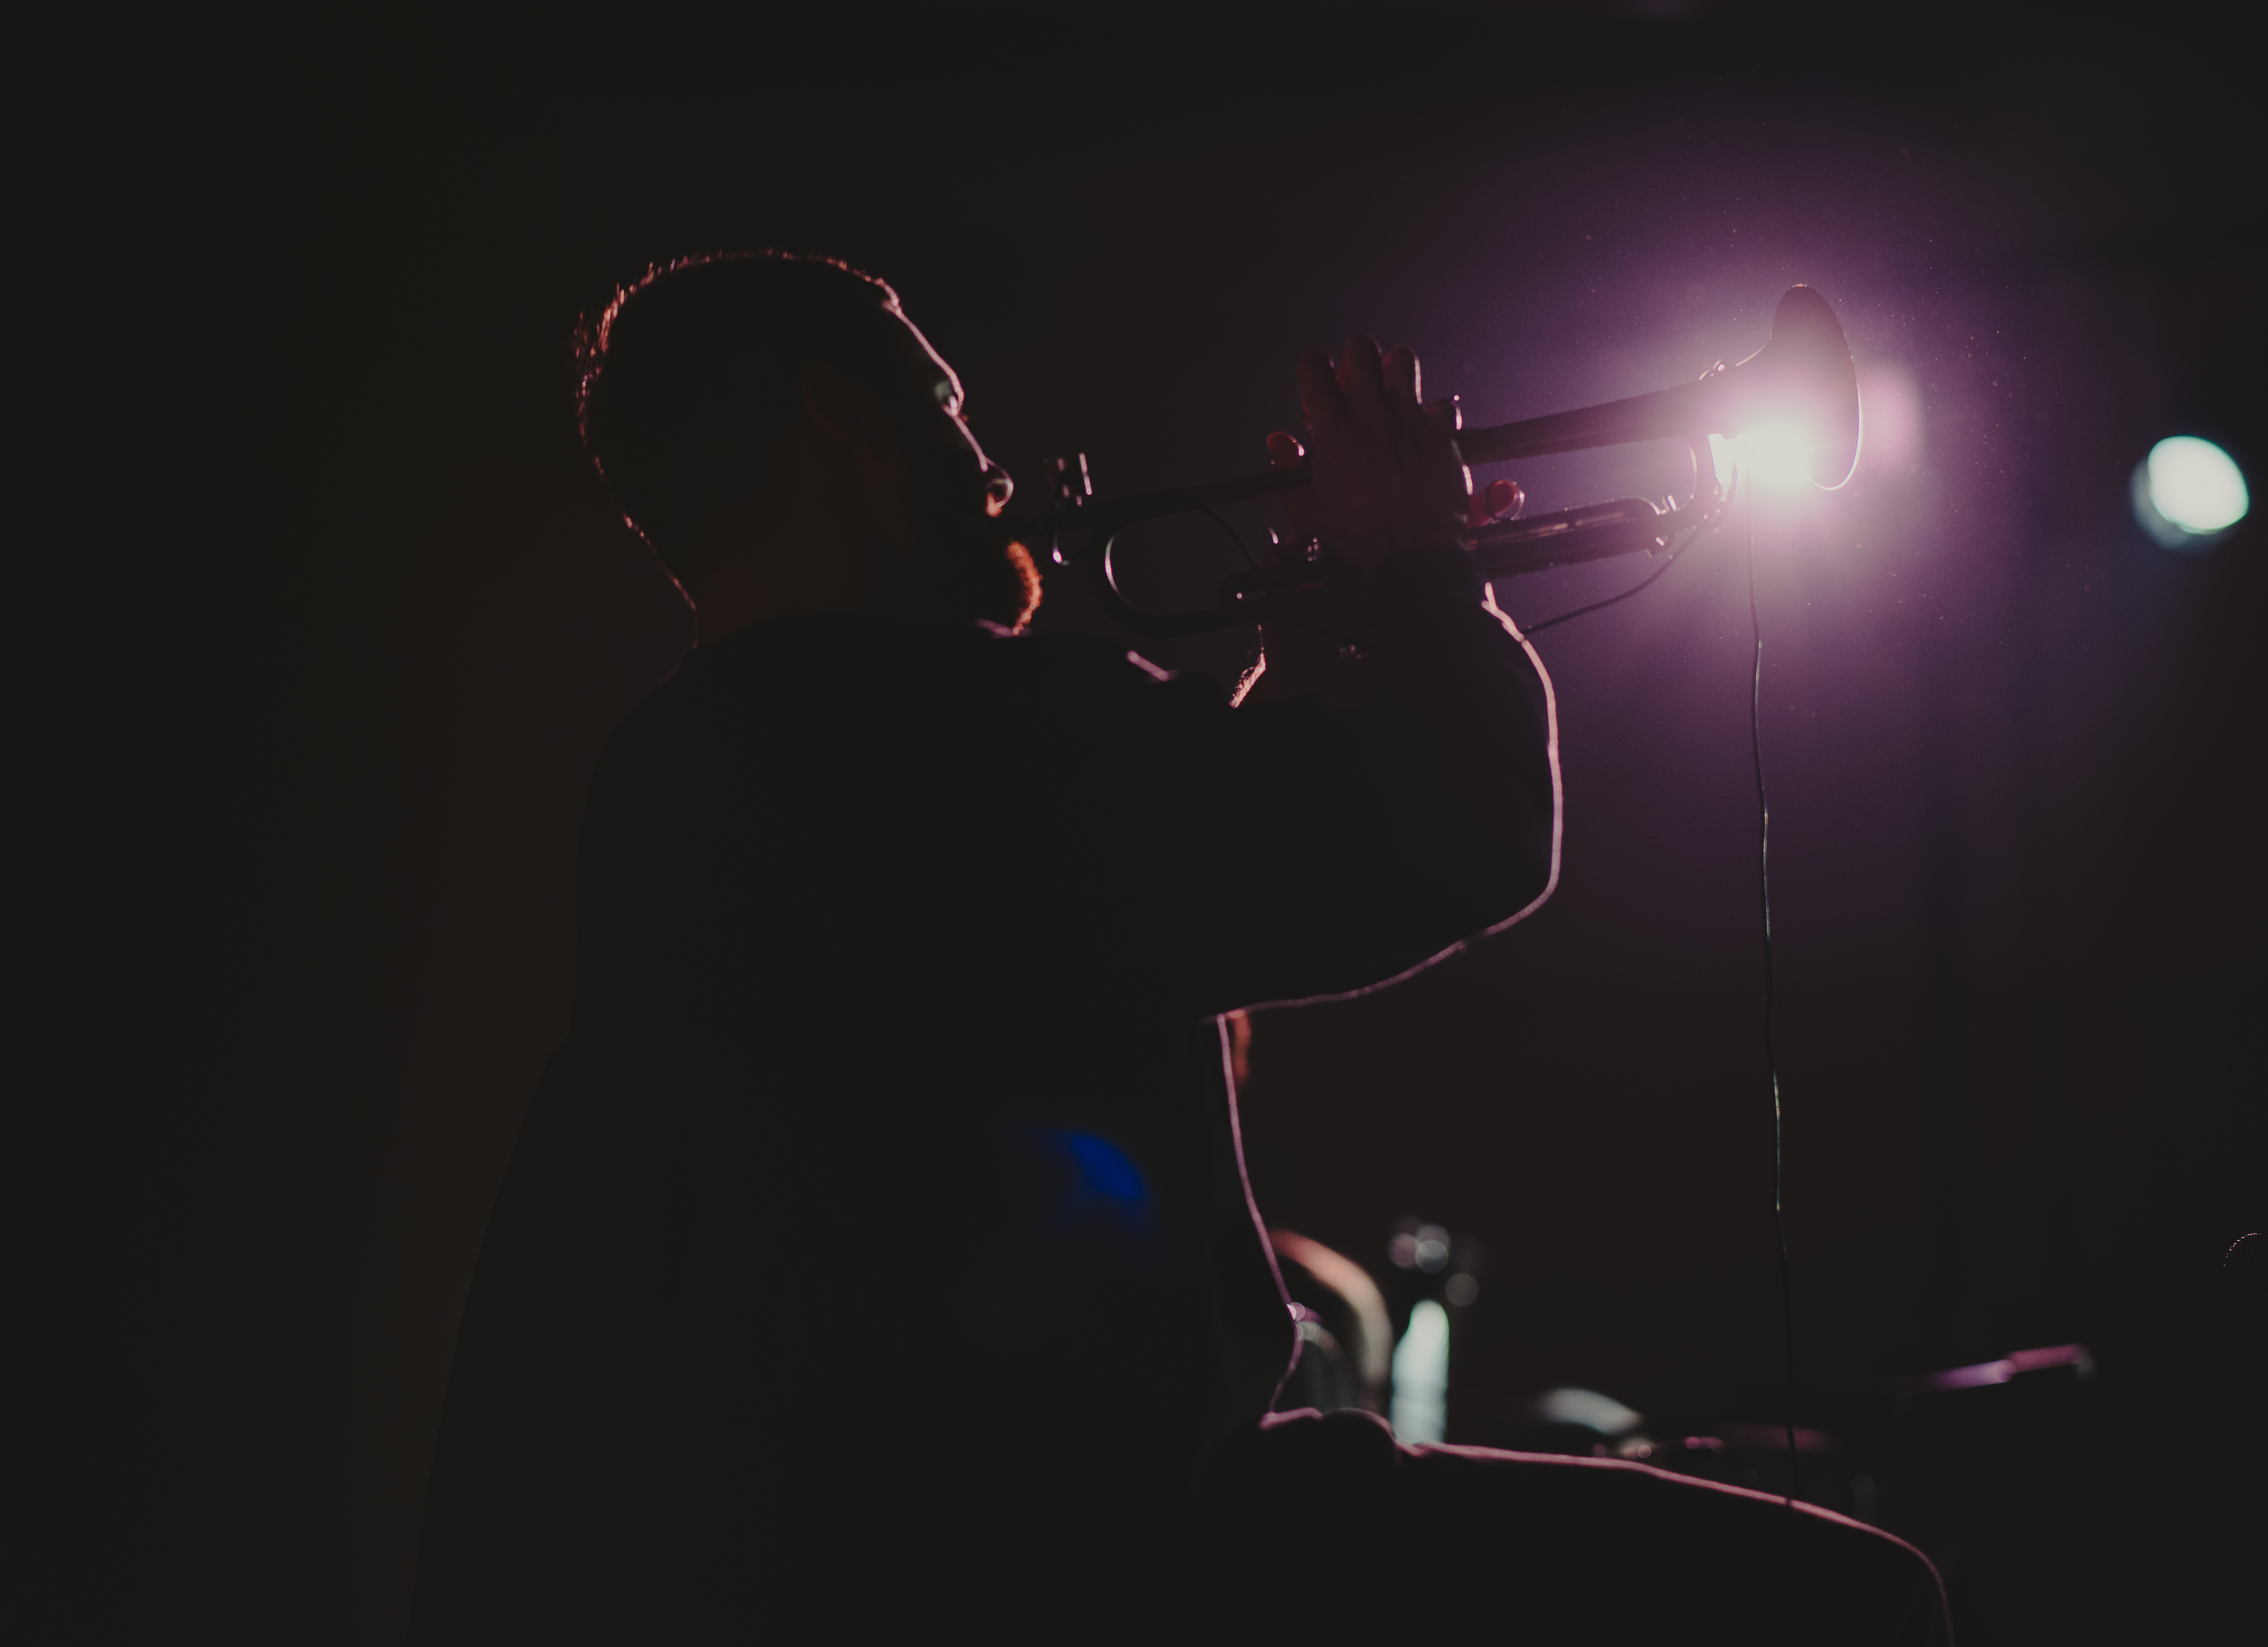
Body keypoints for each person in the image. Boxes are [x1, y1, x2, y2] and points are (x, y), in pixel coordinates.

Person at [411, 251, 1946, 1643]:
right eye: (944, 406)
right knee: (1853, 1607)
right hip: (1101, 1542)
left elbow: (1123, 913)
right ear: (842, 419)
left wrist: (1305, 667)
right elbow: (1471, 831)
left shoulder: (681, 768)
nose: (991, 460)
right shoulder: (954, 720)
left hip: (872, 1541)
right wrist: (1423, 565)